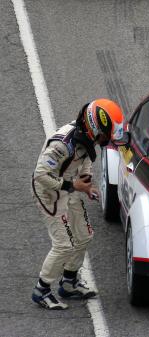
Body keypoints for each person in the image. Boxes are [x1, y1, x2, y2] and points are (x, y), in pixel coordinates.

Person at [31, 99, 124, 309]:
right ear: (94, 128)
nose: (105, 140)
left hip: (69, 187)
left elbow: (86, 159)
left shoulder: (86, 137)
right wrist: (73, 184)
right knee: (63, 245)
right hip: (49, 193)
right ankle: (42, 289)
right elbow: (40, 176)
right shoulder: (61, 145)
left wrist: (87, 183)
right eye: (104, 135)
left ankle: (69, 283)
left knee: (84, 235)